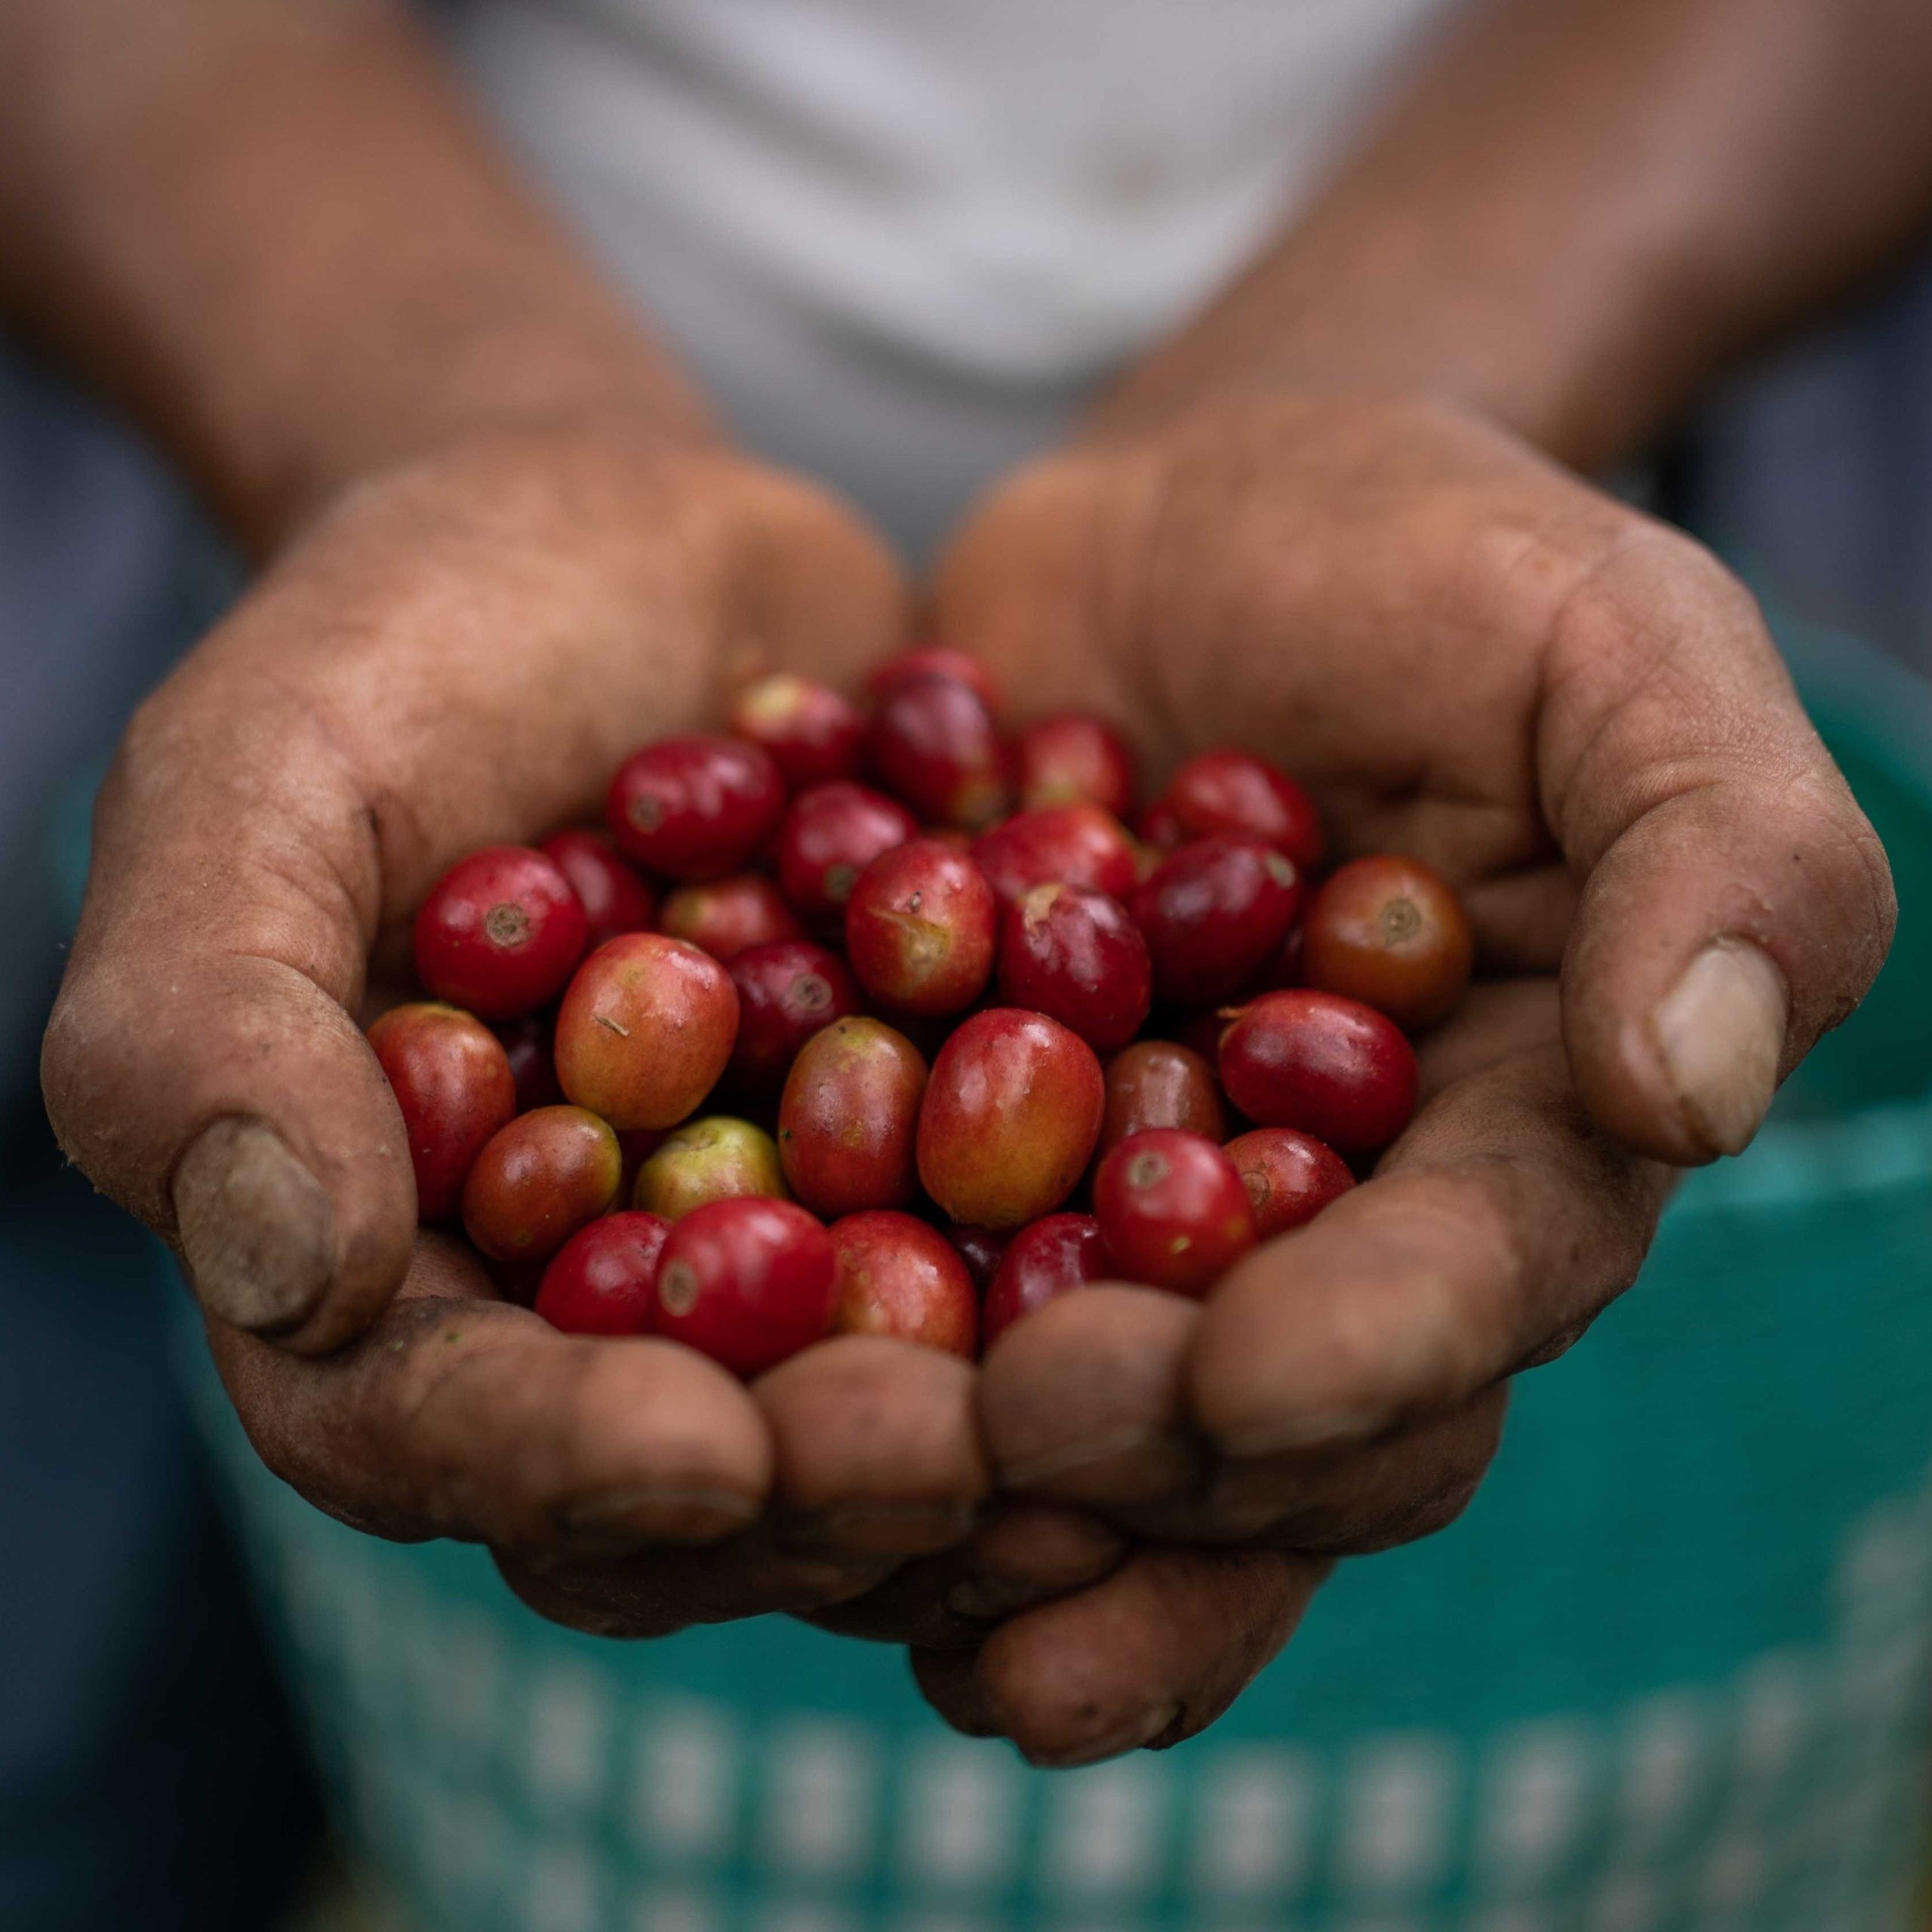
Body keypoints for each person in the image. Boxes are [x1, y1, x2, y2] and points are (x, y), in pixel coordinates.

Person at [7, 0, 1932, 1919]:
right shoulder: (793, 1000)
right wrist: (440, 421)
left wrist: (1402, 378)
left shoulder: (1046, 981)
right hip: (378, 378)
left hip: (1489, 453)